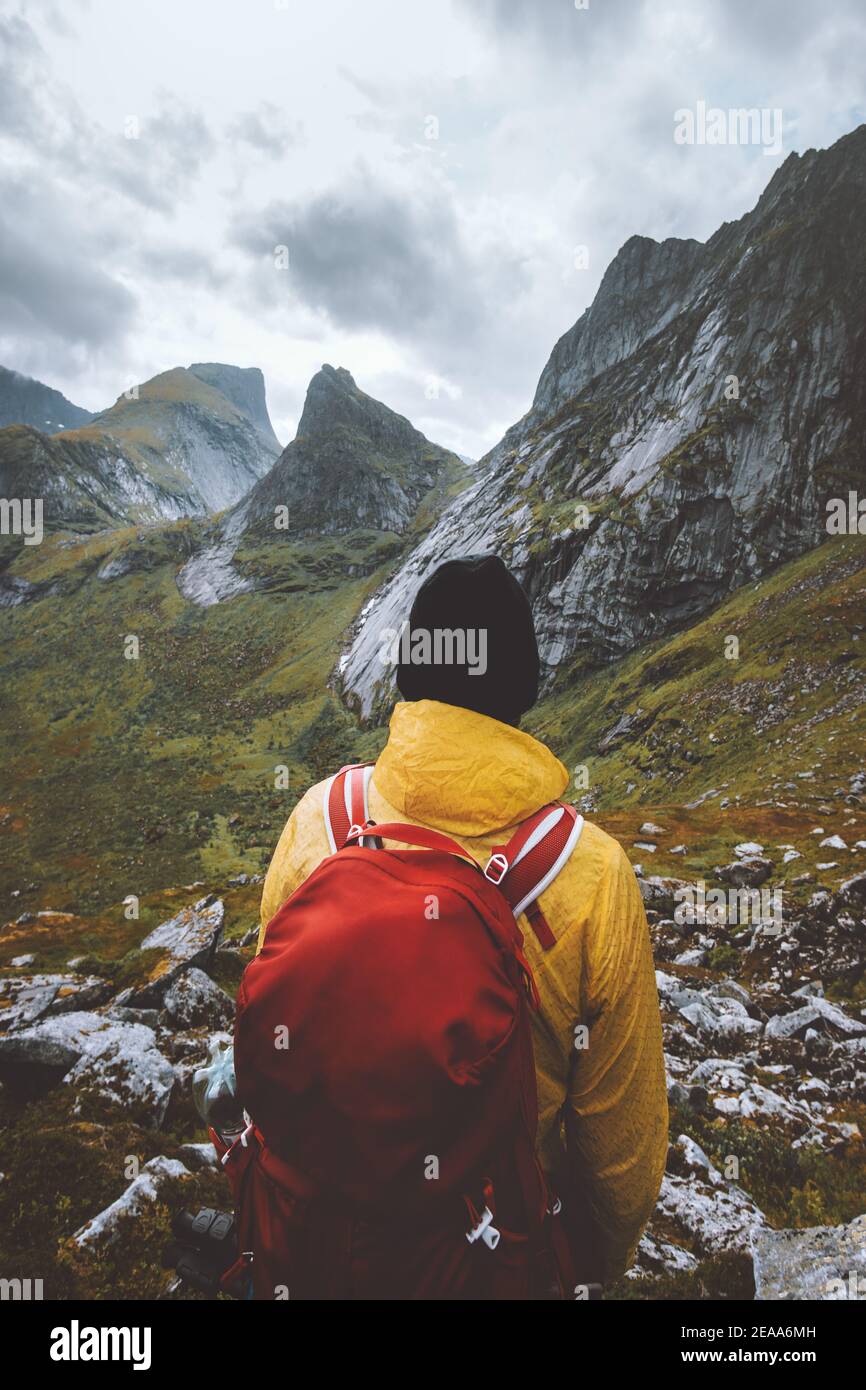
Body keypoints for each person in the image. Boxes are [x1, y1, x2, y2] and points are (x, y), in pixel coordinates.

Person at [258, 553, 668, 1287]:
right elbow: (622, 1156)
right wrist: (595, 1270)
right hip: (488, 1261)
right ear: (525, 687)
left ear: (411, 677)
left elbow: (269, 1051)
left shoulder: (319, 822)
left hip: (316, 1249)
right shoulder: (591, 873)